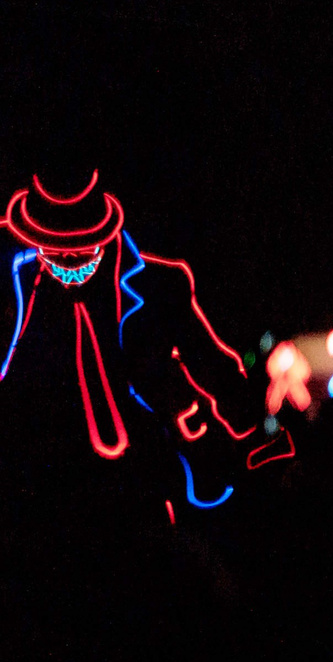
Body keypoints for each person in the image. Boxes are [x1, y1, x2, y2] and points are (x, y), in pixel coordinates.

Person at [0, 168, 290, 524]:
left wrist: (255, 437)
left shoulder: (159, 284)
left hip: (142, 468)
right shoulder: (17, 285)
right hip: (39, 473)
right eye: (54, 248)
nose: (69, 259)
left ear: (105, 233)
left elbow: (210, 362)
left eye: (83, 246)